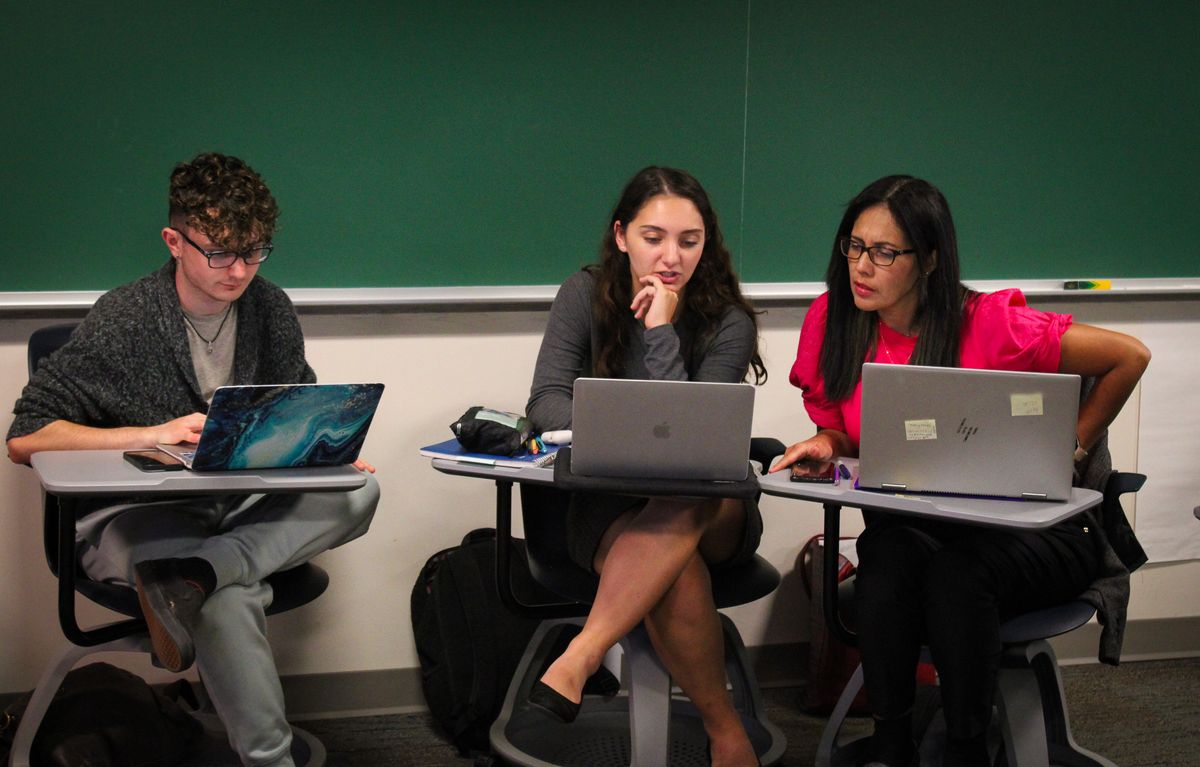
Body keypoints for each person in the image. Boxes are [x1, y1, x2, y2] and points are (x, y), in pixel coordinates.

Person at [6, 152, 380, 767]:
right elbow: (26, 439)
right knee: (226, 601)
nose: (239, 270)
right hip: (135, 518)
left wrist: (324, 453)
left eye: (255, 251)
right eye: (221, 253)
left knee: (361, 493)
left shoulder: (270, 309)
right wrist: (148, 432)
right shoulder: (125, 318)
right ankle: (265, 748)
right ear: (174, 242)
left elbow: (291, 407)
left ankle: (196, 573)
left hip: (236, 509)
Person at [771, 175, 1150, 767]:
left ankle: (965, 748)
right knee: (887, 563)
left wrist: (1072, 449)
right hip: (920, 529)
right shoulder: (834, 320)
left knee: (955, 575)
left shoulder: (990, 326)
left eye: (884, 252)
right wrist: (827, 442)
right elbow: (846, 430)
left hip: (1037, 533)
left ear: (929, 261)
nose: (861, 266)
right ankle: (894, 744)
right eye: (854, 245)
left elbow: (1130, 356)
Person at [524, 166, 768, 767]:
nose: (671, 256)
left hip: (713, 508)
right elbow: (545, 403)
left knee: (683, 502)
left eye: (689, 240)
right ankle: (726, 730)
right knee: (674, 572)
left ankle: (581, 654)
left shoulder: (728, 320)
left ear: (706, 243)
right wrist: (614, 426)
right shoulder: (583, 295)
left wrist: (660, 330)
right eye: (653, 237)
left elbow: (694, 437)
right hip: (611, 505)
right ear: (620, 236)